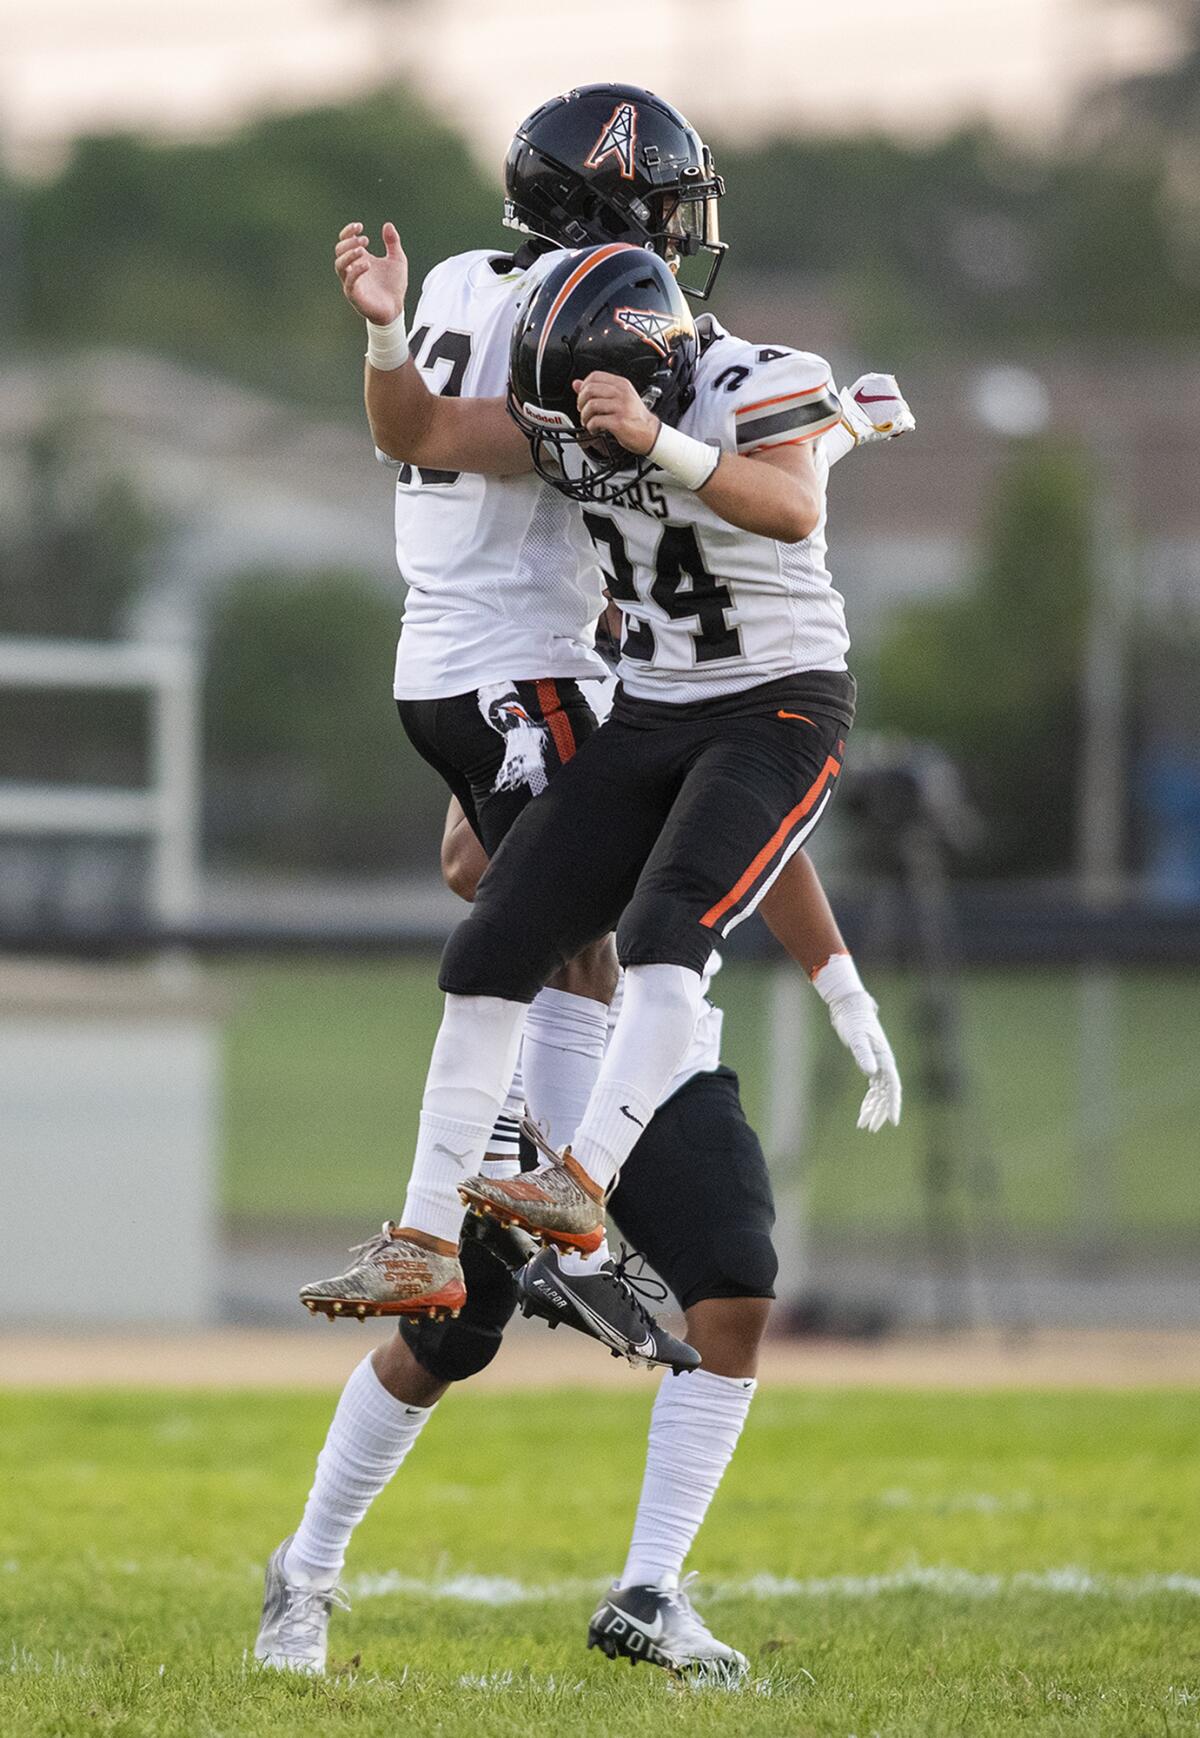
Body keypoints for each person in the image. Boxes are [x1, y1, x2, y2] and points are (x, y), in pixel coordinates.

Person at [303, 235, 911, 1359]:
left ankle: (580, 1190)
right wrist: (388, 332)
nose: (568, 428)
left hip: (773, 700)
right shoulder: (567, 411)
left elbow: (790, 507)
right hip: (653, 705)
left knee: (657, 929)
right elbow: (423, 431)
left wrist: (661, 440)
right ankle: (427, 1238)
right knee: (490, 939)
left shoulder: (743, 381)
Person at [258, 790, 900, 1681]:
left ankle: (649, 1589)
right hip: (532, 1061)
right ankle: (306, 1568)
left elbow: (769, 840)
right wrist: (618, 843)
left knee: (738, 1281)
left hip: (662, 1052)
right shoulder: (540, 662)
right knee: (450, 1339)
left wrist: (842, 987)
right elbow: (464, 862)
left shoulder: (709, 678)